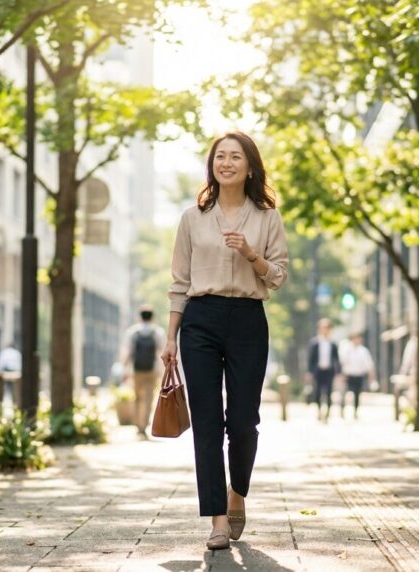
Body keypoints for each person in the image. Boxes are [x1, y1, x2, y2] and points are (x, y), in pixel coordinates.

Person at [163, 131, 289, 551]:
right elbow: (179, 283)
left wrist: (251, 254)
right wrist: (170, 337)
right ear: (212, 165)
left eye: (236, 157)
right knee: (207, 424)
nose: (227, 163)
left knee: (242, 422)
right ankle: (217, 518)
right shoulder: (192, 217)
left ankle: (238, 493)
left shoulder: (267, 216)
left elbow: (278, 275)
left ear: (250, 166)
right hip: (199, 321)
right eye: (221, 156)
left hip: (247, 319)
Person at [120, 304, 165, 438]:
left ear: (140, 317)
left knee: (137, 398)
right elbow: (161, 352)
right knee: (148, 398)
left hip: (136, 370)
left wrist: (124, 369)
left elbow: (127, 352)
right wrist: (163, 371)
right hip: (152, 370)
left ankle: (138, 426)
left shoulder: (133, 332)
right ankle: (144, 425)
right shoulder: (157, 332)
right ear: (152, 317)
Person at [307, 319, 341, 423]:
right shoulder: (315, 343)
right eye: (323, 328)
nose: (325, 330)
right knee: (317, 392)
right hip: (318, 371)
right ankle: (318, 411)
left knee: (329, 392)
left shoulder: (333, 343)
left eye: (327, 328)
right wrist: (309, 372)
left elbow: (336, 359)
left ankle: (327, 413)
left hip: (329, 371)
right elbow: (311, 359)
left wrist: (339, 372)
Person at [339, 332, 375, 419]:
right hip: (348, 375)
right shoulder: (346, 349)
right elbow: (342, 362)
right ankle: (342, 409)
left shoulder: (363, 351)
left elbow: (369, 365)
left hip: (359, 375)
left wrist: (372, 378)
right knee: (344, 394)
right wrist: (341, 375)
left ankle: (355, 411)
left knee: (357, 394)